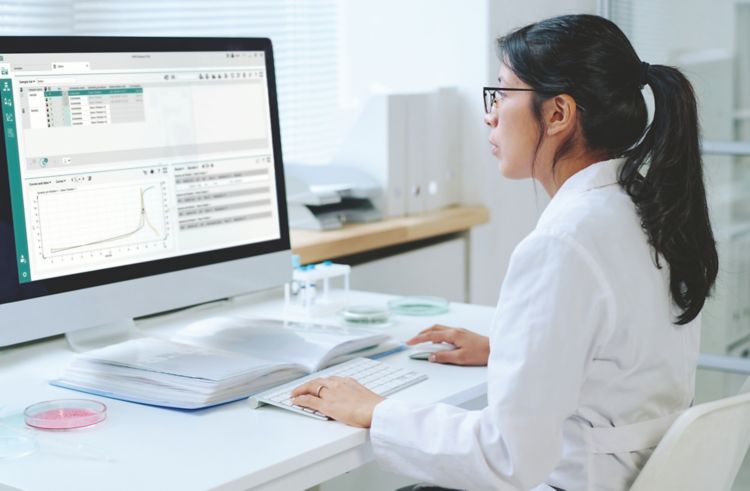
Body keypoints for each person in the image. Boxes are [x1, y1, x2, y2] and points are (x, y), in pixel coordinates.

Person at [291, 14, 719, 491]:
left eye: (502, 93)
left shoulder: (564, 243)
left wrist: (376, 410)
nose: (490, 114)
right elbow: (627, 358)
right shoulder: (640, 205)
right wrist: (511, 354)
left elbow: (506, 458)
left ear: (558, 113)